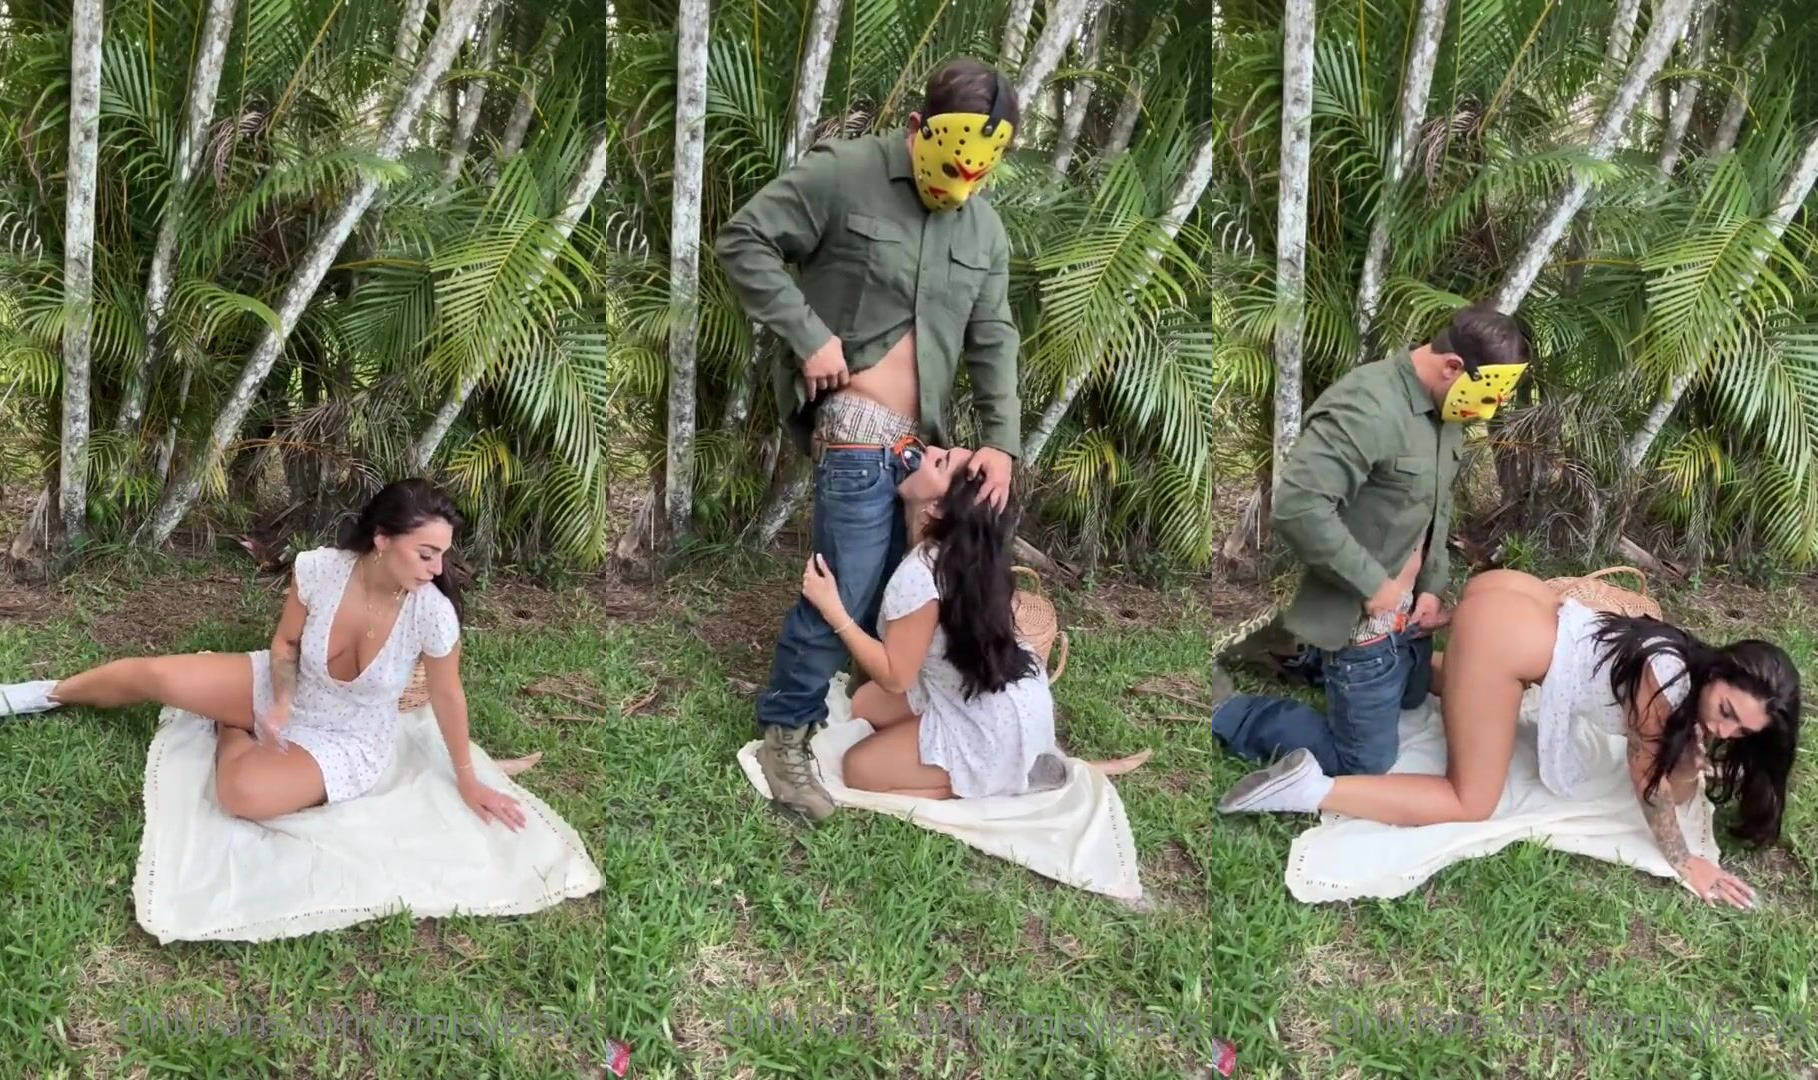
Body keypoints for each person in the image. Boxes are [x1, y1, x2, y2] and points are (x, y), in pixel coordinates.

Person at [716, 56, 1026, 821]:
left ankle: (874, 712)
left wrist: (1001, 441)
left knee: (901, 589)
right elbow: (745, 239)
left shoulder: (983, 228)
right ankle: (785, 734)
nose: (961, 189)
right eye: (949, 169)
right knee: (849, 587)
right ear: (918, 128)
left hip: (921, 449)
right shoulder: (845, 173)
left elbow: (992, 334)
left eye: (978, 176)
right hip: (854, 433)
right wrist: (806, 333)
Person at [1217, 570, 1802, 909]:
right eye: (1726, 711)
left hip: (1513, 595)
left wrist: (1694, 757)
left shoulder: (1683, 653)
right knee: (1472, 801)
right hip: (1500, 637)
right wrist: (1687, 863)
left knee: (1447, 691)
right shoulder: (1666, 690)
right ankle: (1310, 789)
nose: (1723, 730)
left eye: (1740, 731)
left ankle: (1317, 663)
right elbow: (1653, 792)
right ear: (1718, 670)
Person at [0, 479, 535, 828]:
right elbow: (285, 644)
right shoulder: (321, 570)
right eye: (426, 553)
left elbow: (448, 695)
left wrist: (468, 778)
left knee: (244, 795)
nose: (437, 569)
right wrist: (278, 701)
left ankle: (231, 727)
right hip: (284, 686)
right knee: (153, 674)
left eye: (442, 555)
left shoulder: (430, 613)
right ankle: (41, 694)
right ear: (382, 539)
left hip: (344, 738)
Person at [1209, 302, 1533, 776]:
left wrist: (1430, 587)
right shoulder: (1367, 406)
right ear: (1452, 367)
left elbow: (1436, 505)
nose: (1488, 411)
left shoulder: (1446, 408)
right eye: (1488, 397)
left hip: (1408, 615)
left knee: (1412, 696)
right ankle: (1228, 709)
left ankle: (1297, 655)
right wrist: (1373, 586)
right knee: (1364, 762)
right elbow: (1300, 507)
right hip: (1363, 612)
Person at [797, 442, 1149, 798]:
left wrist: (833, 610)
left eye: (940, 462)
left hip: (990, 726)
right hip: (1005, 700)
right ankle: (1013, 760)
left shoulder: (919, 574)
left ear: (936, 507)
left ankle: (994, 781)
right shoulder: (959, 557)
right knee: (863, 704)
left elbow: (894, 676)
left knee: (858, 770)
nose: (930, 449)